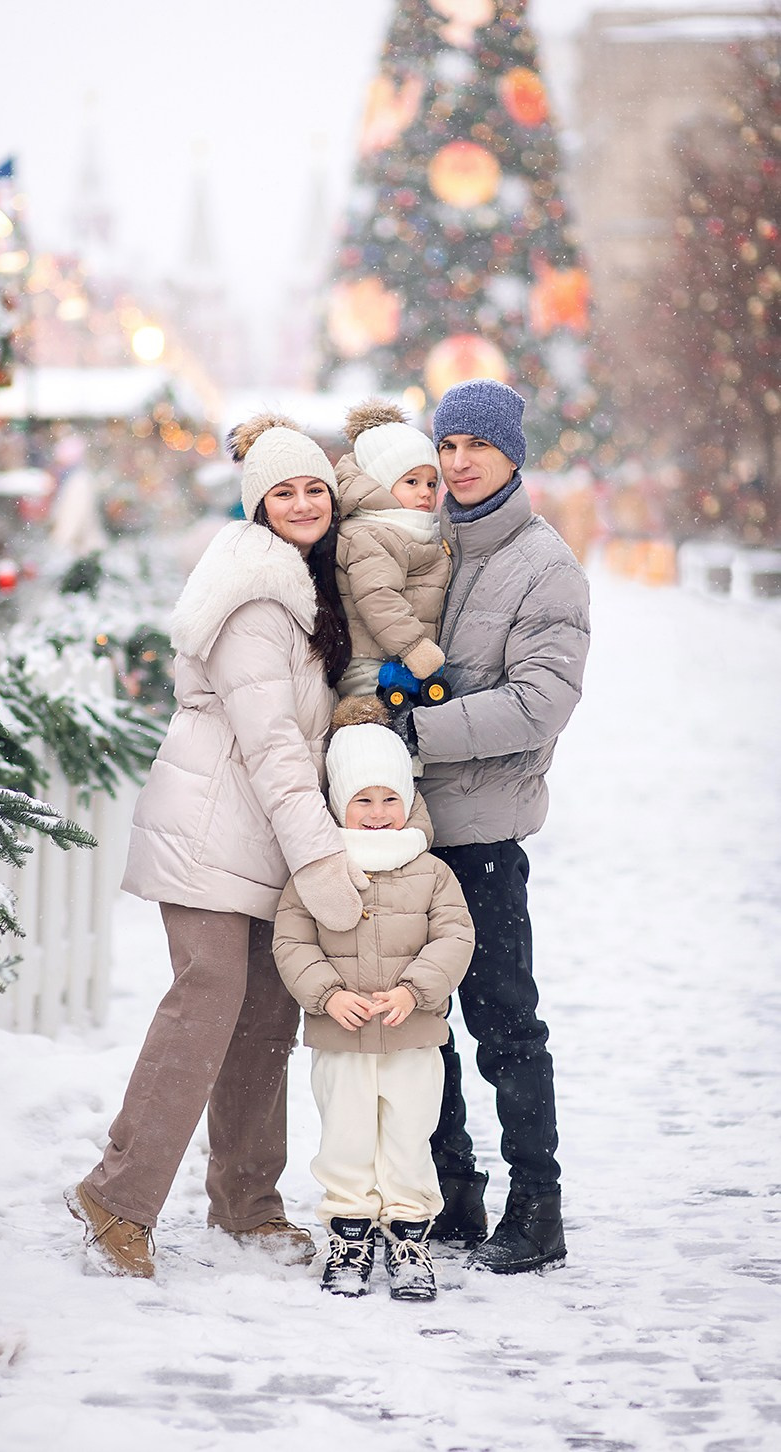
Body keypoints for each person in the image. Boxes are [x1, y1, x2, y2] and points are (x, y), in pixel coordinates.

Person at [66, 412, 367, 1278]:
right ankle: (117, 1196)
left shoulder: (309, 582)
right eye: (284, 490)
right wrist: (320, 857)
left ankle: (247, 1202)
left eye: (315, 486)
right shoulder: (255, 592)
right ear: (257, 505)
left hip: (260, 835)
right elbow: (273, 746)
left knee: (267, 1018)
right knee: (207, 1003)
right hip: (213, 831)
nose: (304, 502)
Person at [388, 379, 591, 1274]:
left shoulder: (545, 565)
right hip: (409, 834)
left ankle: (537, 1204)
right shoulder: (434, 548)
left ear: (513, 452)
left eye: (477, 444)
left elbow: (541, 703)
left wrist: (417, 731)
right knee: (421, 1022)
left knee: (503, 1021)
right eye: (448, 444)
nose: (459, 460)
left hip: (483, 836)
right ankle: (451, 1192)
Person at [273, 718, 475, 1301]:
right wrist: (328, 995)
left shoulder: (432, 872)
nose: (379, 811)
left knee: (410, 1135)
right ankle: (349, 1234)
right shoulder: (316, 871)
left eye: (391, 797)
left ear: (409, 802)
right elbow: (292, 942)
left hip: (412, 1034)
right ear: (339, 804)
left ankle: (410, 1235)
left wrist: (414, 991)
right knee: (346, 1136)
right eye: (363, 799)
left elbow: (454, 937)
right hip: (342, 1036)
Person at [333, 401, 452, 698]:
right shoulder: (368, 533)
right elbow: (377, 595)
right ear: (380, 483)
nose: (425, 491)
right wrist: (414, 647)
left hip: (397, 657)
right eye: (411, 481)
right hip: (367, 663)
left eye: (431, 483)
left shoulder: (410, 530)